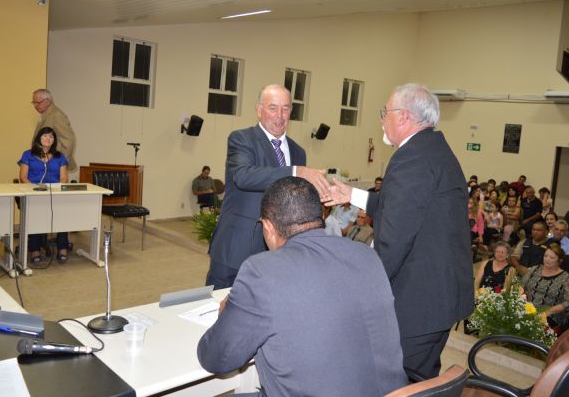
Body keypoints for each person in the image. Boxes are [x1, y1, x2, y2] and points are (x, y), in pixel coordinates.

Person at [197, 177, 407, 396]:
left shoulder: (262, 270)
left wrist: (226, 314)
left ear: (268, 226)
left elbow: (216, 358)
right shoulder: (366, 255)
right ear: (320, 216)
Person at [327, 83, 474, 378]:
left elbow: (394, 239)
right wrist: (352, 195)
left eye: (386, 112)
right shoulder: (431, 148)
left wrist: (365, 287)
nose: (382, 119)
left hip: (419, 298)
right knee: (421, 376)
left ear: (404, 116)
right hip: (437, 293)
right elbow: (406, 206)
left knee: (403, 379)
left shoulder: (412, 157)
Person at [206, 84, 329, 289]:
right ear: (259, 109)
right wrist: (295, 171)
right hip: (236, 250)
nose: (280, 115)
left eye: (285, 108)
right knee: (220, 307)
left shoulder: (298, 151)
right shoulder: (242, 139)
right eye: (273, 108)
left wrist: (321, 192)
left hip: (279, 255)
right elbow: (243, 176)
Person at [18, 127, 70, 263]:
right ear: (39, 138)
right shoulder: (28, 155)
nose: (48, 139)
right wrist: (35, 189)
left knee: (62, 216)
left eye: (51, 137)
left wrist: (55, 189)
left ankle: (62, 248)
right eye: (45, 136)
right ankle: (34, 250)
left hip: (54, 194)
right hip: (35, 194)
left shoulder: (60, 156)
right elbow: (23, 177)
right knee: (36, 217)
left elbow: (64, 178)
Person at [522, 243, 569, 329]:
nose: (547, 259)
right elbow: (521, 286)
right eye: (546, 256)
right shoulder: (535, 269)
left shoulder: (565, 278)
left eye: (552, 258)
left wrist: (548, 311)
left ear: (559, 261)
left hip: (549, 315)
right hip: (527, 309)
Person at [31, 89, 77, 172]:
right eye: (34, 103)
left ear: (48, 101)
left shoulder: (56, 115)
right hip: (44, 162)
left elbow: (69, 140)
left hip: (53, 164)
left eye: (38, 102)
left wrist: (61, 163)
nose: (35, 106)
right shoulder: (46, 114)